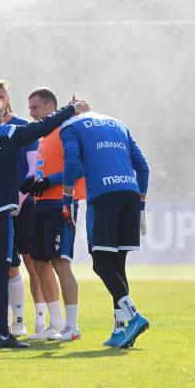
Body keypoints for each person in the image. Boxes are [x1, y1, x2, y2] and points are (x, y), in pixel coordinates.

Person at [0, 96, 89, 348]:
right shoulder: (4, 133)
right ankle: (2, 334)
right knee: (0, 273)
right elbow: (43, 126)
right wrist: (70, 109)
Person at [61, 109, 149, 348]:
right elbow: (142, 166)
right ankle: (120, 332)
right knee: (118, 266)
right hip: (130, 196)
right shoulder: (118, 123)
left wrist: (66, 199)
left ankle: (134, 316)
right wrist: (141, 205)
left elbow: (72, 164)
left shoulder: (70, 126)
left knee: (101, 263)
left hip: (103, 197)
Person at [24, 88, 85, 341]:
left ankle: (72, 328)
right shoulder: (43, 135)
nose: (31, 113)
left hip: (61, 204)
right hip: (41, 205)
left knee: (61, 263)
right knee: (39, 264)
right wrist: (32, 182)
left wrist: (49, 181)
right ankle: (56, 323)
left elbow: (78, 168)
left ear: (51, 106)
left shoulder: (65, 130)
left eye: (35, 107)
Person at [0, 78, 42, 337]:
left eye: (3, 94)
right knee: (4, 265)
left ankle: (41, 320)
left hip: (24, 204)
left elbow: (32, 168)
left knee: (34, 263)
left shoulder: (24, 126)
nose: (1, 99)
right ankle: (9, 321)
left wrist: (17, 200)